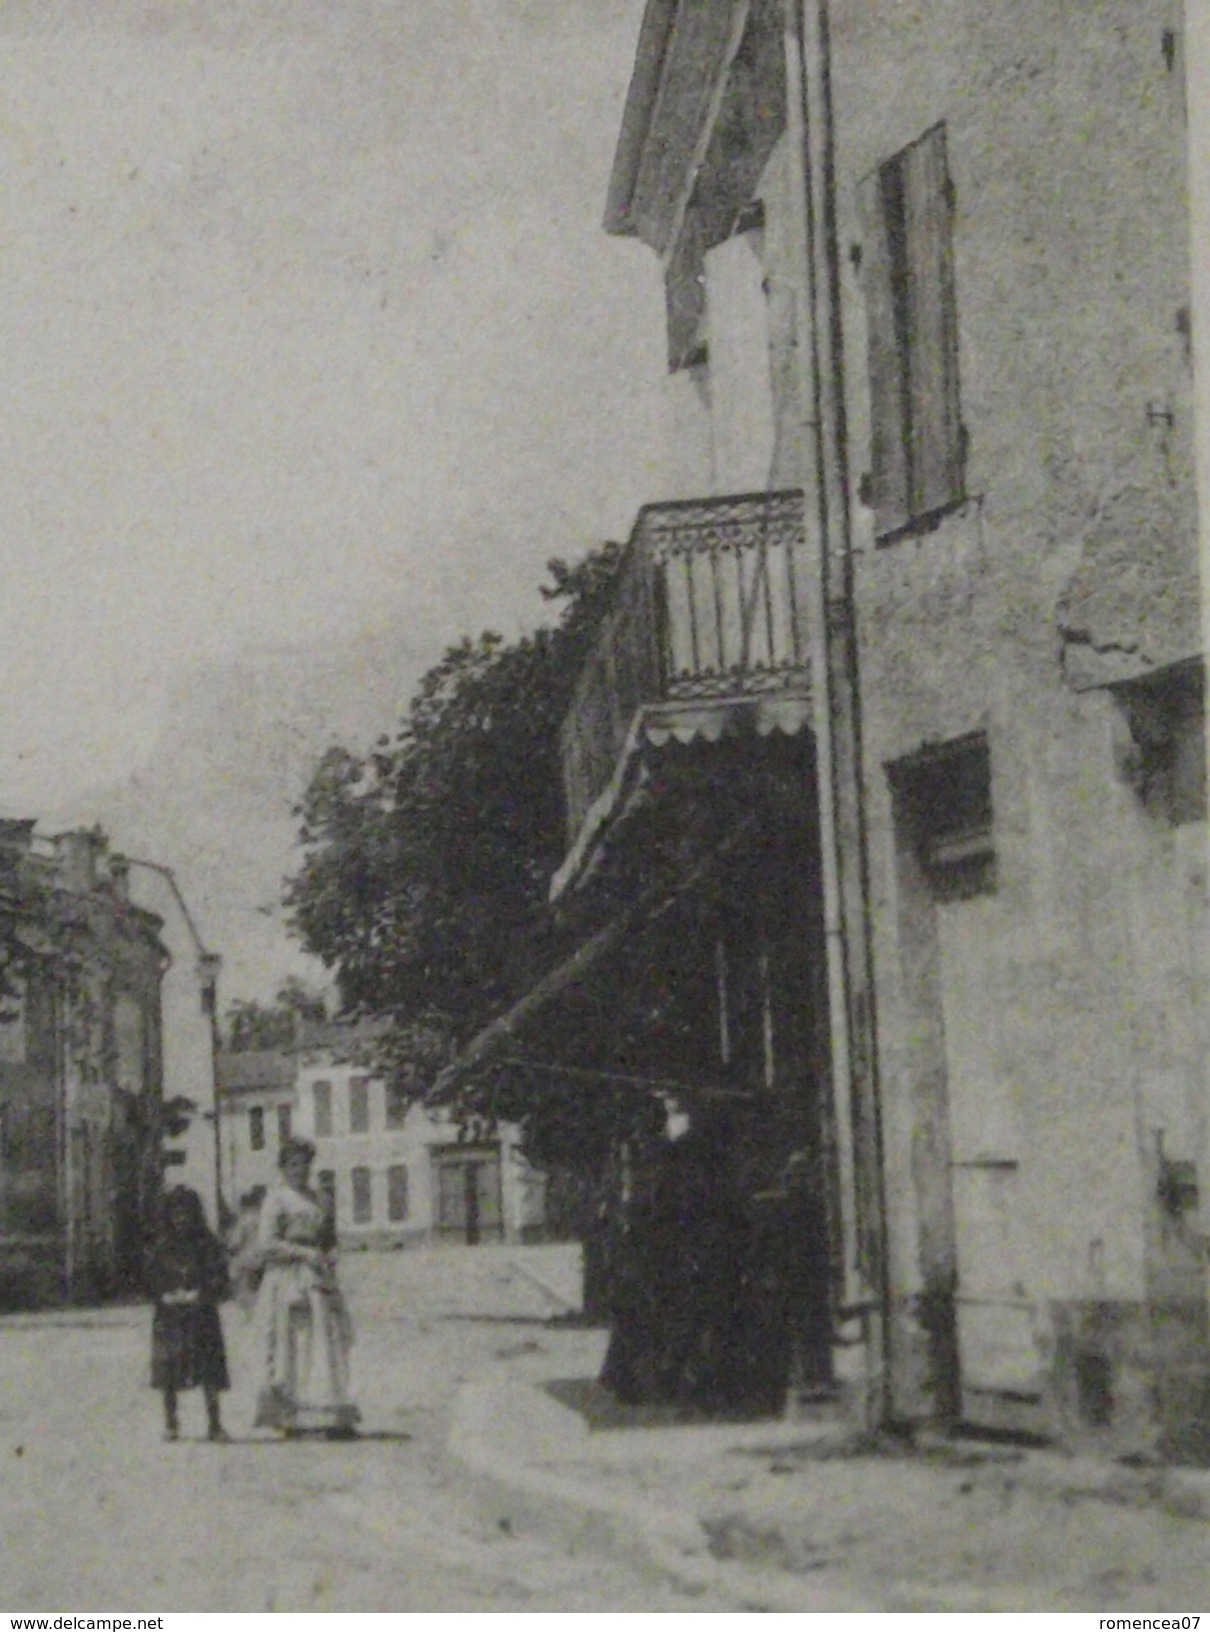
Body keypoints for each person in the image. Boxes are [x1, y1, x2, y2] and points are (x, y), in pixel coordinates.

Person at [252, 1136, 359, 1439]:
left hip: (317, 1279)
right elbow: (267, 1244)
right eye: (293, 1165)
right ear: (283, 1167)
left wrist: (329, 1254)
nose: (300, 1171)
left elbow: (329, 1237)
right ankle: (290, 1416)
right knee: (292, 1345)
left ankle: (330, 1412)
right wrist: (303, 1253)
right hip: (287, 1279)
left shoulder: (319, 1199)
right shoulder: (277, 1199)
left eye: (304, 1165)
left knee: (325, 1342)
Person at [147, 1185, 231, 1443]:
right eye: (175, 1214)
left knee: (209, 1369)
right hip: (169, 1317)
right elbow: (150, 1280)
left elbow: (220, 1279)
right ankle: (171, 1423)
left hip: (202, 1315)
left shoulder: (208, 1244)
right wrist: (164, 1295)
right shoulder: (160, 1247)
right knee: (168, 1370)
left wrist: (202, 1294)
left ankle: (215, 1424)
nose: (181, 1219)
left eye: (186, 1213)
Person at [226, 1185, 267, 1316]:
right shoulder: (265, 1217)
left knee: (245, 1294)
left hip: (247, 1260)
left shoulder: (244, 1219)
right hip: (265, 1259)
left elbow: (235, 1242)